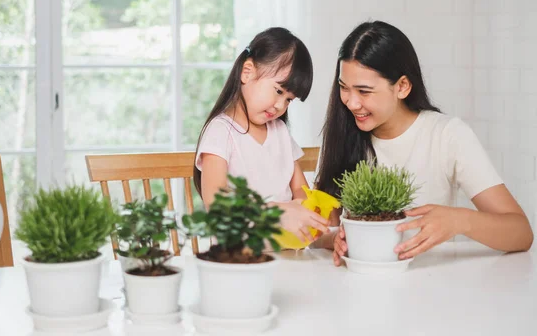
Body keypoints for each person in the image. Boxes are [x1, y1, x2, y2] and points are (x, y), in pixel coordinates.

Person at [312, 20, 533, 265]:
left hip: (432, 287)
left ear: (403, 87)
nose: (351, 103)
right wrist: (335, 239)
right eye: (344, 88)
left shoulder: (447, 135)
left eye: (364, 91)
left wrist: (460, 221)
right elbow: (319, 231)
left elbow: (521, 234)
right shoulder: (341, 135)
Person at [194, 27, 329, 243]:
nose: (280, 105)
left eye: (289, 100)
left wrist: (301, 208)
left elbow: (300, 189)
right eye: (278, 91)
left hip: (286, 254)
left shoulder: (280, 131)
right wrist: (278, 214)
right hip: (242, 257)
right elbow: (216, 205)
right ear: (247, 72)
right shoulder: (221, 132)